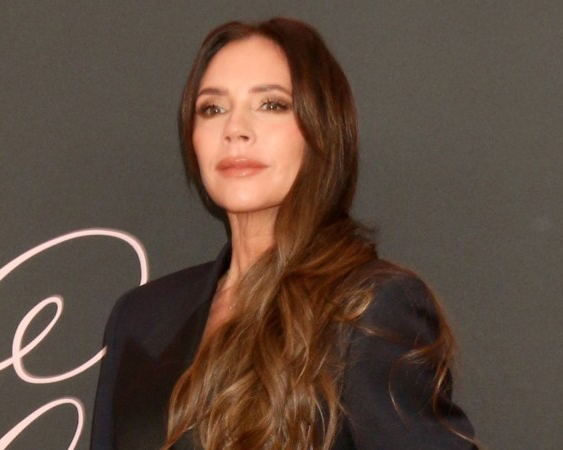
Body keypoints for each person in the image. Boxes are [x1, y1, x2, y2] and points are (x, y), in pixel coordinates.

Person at [91, 17, 476, 450]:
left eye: (271, 105)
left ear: (321, 130)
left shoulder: (368, 309)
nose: (235, 130)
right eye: (213, 109)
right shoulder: (139, 316)